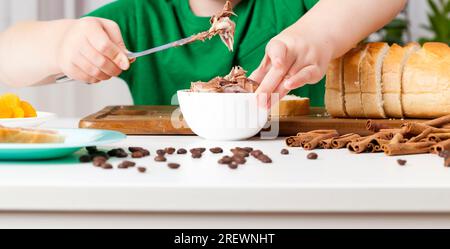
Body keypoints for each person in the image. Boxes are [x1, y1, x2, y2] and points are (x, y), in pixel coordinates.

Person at [0, 0, 407, 107]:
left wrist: (318, 34)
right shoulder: (143, 15)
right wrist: (64, 44)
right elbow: (8, 56)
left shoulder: (291, 6)